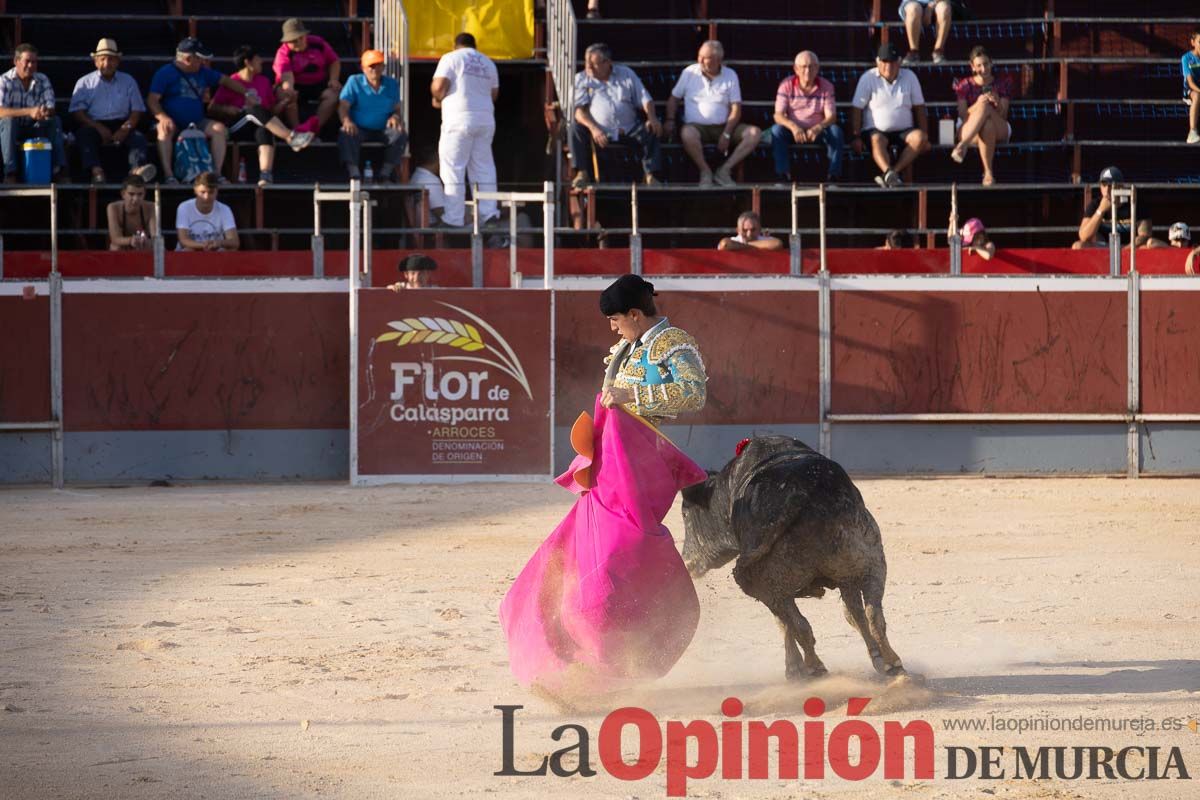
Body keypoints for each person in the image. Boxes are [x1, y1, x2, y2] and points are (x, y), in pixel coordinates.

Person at [499, 274, 707, 698]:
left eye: (616, 319)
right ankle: (579, 660)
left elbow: (693, 394)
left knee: (613, 560)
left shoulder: (672, 344)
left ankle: (611, 664)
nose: (612, 327)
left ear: (634, 314)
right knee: (573, 552)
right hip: (614, 466)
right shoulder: (627, 349)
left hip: (646, 466)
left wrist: (632, 396)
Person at [208, 45, 315, 186]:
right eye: (258, 59)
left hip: (257, 124)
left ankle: (265, 175)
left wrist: (284, 103)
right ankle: (290, 137)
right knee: (254, 111)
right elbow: (211, 108)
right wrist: (228, 109)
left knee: (265, 128)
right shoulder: (232, 81)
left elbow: (270, 113)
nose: (262, 62)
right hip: (237, 126)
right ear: (248, 62)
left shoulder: (263, 82)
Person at [147, 37, 248, 183]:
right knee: (164, 130)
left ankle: (216, 174)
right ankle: (169, 175)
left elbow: (225, 80)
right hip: (172, 121)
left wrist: (246, 93)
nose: (203, 62)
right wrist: (163, 117)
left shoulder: (203, 72)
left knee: (218, 129)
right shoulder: (165, 73)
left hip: (198, 120)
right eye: (200, 58)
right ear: (188, 59)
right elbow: (152, 100)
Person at [666, 40, 761, 188]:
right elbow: (673, 99)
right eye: (699, 56)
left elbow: (736, 109)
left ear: (718, 60)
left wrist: (727, 134)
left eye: (705, 58)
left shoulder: (730, 75)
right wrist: (670, 119)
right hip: (696, 127)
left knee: (754, 133)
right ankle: (705, 172)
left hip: (724, 126)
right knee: (686, 133)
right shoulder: (689, 72)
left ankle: (724, 171)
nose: (700, 61)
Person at [431, 32, 500, 227]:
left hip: (458, 120)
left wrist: (438, 99)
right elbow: (493, 94)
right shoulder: (488, 63)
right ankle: (489, 215)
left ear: (455, 45)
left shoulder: (451, 58)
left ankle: (454, 218)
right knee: (484, 168)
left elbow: (438, 87)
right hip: (485, 120)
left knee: (453, 168)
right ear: (474, 46)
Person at [570, 43, 662, 188]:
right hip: (597, 131)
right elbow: (578, 111)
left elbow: (645, 98)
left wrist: (652, 117)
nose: (588, 67)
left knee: (651, 128)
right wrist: (594, 129)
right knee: (575, 128)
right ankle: (582, 172)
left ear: (607, 63)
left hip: (629, 128)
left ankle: (650, 175)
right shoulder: (581, 79)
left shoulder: (626, 73)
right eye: (587, 63)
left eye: (593, 64)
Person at [70, 38, 155, 183]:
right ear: (96, 61)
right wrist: (98, 127)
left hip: (122, 122)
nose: (106, 63)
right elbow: (77, 112)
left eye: (111, 59)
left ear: (117, 61)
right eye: (102, 59)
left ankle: (136, 172)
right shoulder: (84, 82)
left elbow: (137, 110)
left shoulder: (128, 81)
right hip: (94, 124)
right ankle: (96, 171)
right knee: (84, 136)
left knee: (138, 139)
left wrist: (125, 128)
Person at [850, 42, 929, 189]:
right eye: (885, 62)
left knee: (921, 138)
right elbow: (856, 108)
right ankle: (889, 173)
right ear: (878, 62)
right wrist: (856, 137)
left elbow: (920, 108)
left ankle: (891, 173)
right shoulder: (868, 78)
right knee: (876, 139)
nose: (889, 66)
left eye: (892, 62)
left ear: (899, 61)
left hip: (905, 130)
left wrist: (926, 134)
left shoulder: (910, 77)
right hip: (875, 130)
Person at [770, 50, 843, 184]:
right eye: (803, 67)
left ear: (817, 68)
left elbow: (831, 116)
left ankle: (833, 177)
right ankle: (783, 175)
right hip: (793, 131)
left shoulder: (827, 86)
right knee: (776, 131)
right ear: (796, 69)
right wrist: (794, 127)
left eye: (812, 66)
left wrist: (818, 127)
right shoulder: (786, 85)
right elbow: (778, 115)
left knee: (836, 132)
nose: (807, 71)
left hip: (818, 131)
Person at [0, 43, 67, 183]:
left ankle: (58, 170)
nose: (31, 65)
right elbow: (1, 111)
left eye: (34, 62)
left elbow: (51, 107)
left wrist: (44, 112)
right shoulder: (4, 80)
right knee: (8, 121)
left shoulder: (42, 79)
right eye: (27, 61)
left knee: (54, 121)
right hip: (12, 129)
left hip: (35, 127)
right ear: (16, 62)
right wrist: (29, 111)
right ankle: (10, 173)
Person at [338, 49, 407, 182]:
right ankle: (354, 174)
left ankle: (385, 174)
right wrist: (346, 121)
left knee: (400, 133)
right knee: (345, 132)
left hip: (383, 129)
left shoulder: (391, 84)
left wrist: (396, 117)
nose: (375, 69)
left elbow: (397, 109)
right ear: (363, 68)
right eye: (371, 66)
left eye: (379, 65)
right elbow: (343, 106)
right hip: (359, 128)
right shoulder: (354, 81)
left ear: (383, 67)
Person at [950, 46, 1013, 186]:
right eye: (979, 65)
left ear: (991, 63)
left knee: (988, 113)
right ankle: (988, 173)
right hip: (969, 126)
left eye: (986, 64)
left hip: (999, 127)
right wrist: (977, 105)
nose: (983, 69)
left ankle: (962, 146)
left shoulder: (1002, 83)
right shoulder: (964, 85)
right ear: (972, 66)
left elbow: (1003, 115)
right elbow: (963, 115)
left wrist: (997, 102)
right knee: (986, 122)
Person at [274, 19, 340, 132]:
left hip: (318, 84)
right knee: (285, 94)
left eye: (301, 37)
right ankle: (297, 131)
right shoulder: (283, 53)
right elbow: (287, 76)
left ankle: (311, 130)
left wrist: (333, 79)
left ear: (305, 35)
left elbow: (334, 61)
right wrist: (289, 88)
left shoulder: (318, 43)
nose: (299, 42)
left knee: (334, 95)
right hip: (296, 84)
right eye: (293, 40)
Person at [176, 171, 238, 251]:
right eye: (202, 192)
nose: (206, 197)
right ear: (195, 190)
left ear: (217, 191)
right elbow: (183, 240)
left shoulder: (225, 209)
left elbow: (234, 242)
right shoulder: (184, 207)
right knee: (188, 250)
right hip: (191, 253)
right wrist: (204, 245)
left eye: (211, 192)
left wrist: (219, 243)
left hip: (215, 252)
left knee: (230, 250)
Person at [1074, 166, 1130, 249]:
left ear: (1120, 186)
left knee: (1151, 245)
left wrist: (1128, 249)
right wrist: (1101, 210)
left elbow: (1145, 235)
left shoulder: (1133, 202)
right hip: (1103, 248)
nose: (1107, 190)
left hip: (1129, 247)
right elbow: (1083, 236)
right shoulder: (1095, 204)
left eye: (1111, 185)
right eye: (1104, 184)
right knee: (1078, 246)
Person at [106, 174, 157, 251]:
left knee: (158, 248)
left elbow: (155, 237)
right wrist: (131, 240)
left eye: (140, 194)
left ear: (144, 194)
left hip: (143, 246)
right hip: (124, 246)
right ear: (123, 194)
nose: (136, 199)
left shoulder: (151, 207)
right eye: (131, 194)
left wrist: (146, 242)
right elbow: (115, 239)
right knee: (115, 247)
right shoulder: (113, 208)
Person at [900, 0, 953, 65]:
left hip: (937, 2)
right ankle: (913, 51)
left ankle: (938, 50)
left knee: (944, 8)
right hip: (911, 2)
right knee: (913, 9)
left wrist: (931, 6)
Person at [405, 146, 445, 226]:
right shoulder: (430, 179)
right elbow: (441, 214)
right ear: (438, 160)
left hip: (418, 226)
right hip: (432, 227)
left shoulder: (416, 175)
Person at [717, 210, 783, 252]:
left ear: (759, 229)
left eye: (753, 230)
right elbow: (724, 245)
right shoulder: (734, 240)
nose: (749, 234)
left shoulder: (764, 239)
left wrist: (745, 245)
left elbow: (777, 244)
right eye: (744, 230)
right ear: (738, 230)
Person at [1182, 29, 1200, 144]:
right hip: (1190, 89)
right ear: (1193, 42)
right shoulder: (1186, 58)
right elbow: (1190, 82)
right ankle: (1192, 132)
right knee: (1197, 96)